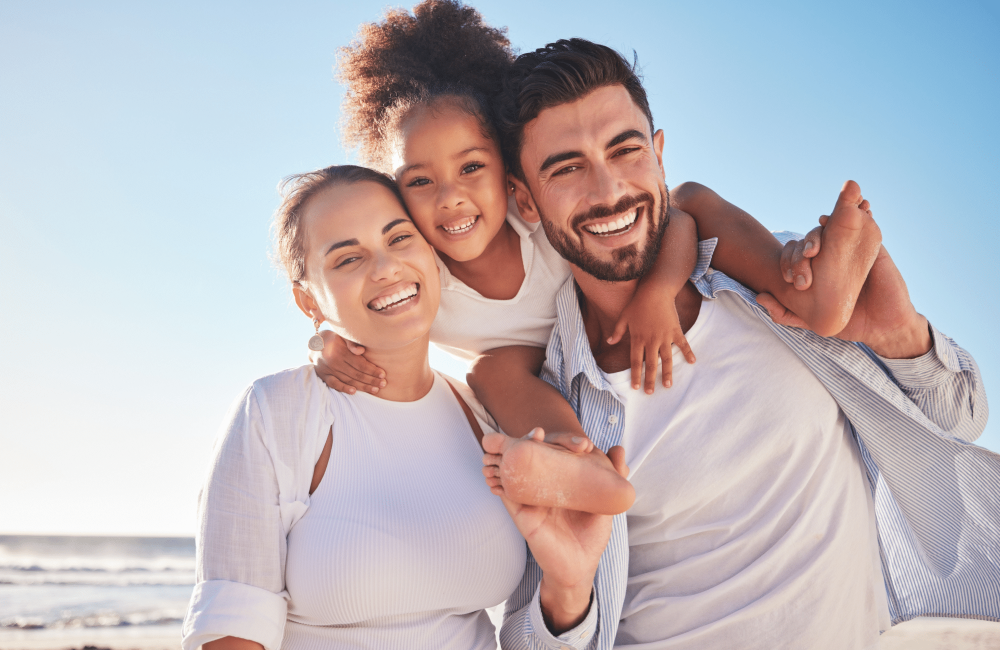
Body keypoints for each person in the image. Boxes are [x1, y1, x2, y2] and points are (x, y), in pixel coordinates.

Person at [482, 38, 996, 650]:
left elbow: (957, 421)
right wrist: (566, 593)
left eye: (626, 150)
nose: (608, 189)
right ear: (524, 200)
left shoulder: (774, 291)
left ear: (660, 155)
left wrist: (901, 336)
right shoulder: (548, 402)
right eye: (566, 168)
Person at [180, 165, 632, 650]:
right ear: (308, 300)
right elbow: (231, 634)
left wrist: (569, 590)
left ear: (432, 254)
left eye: (399, 239)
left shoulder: (483, 416)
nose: (385, 268)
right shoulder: (275, 414)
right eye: (347, 259)